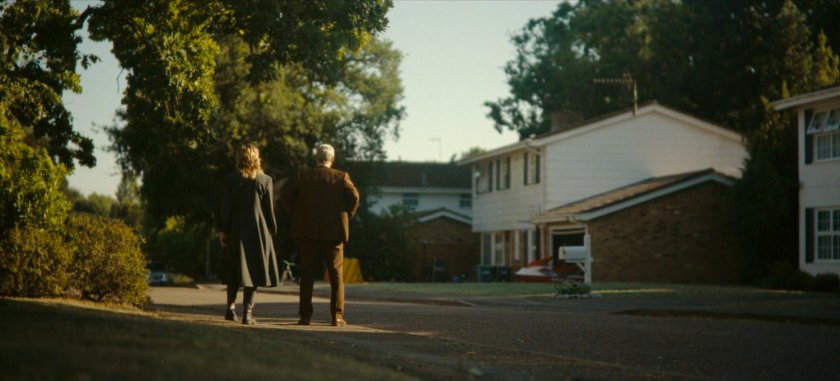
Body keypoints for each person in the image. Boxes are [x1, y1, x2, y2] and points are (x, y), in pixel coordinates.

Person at [280, 144, 359, 327]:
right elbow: (354, 197)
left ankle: (305, 316)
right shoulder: (341, 177)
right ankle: (336, 316)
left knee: (307, 275)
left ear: (316, 158)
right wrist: (346, 215)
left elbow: (285, 194)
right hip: (334, 233)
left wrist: (296, 214)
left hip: (307, 231)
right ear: (332, 159)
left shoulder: (302, 175)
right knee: (336, 276)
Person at [217, 143, 281, 325]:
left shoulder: (230, 180)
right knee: (254, 270)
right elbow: (269, 210)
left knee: (234, 269)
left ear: (240, 158)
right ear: (256, 158)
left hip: (235, 231)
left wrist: (224, 230)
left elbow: (226, 209)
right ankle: (248, 313)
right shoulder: (265, 180)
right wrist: (273, 229)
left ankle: (230, 308)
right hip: (258, 233)